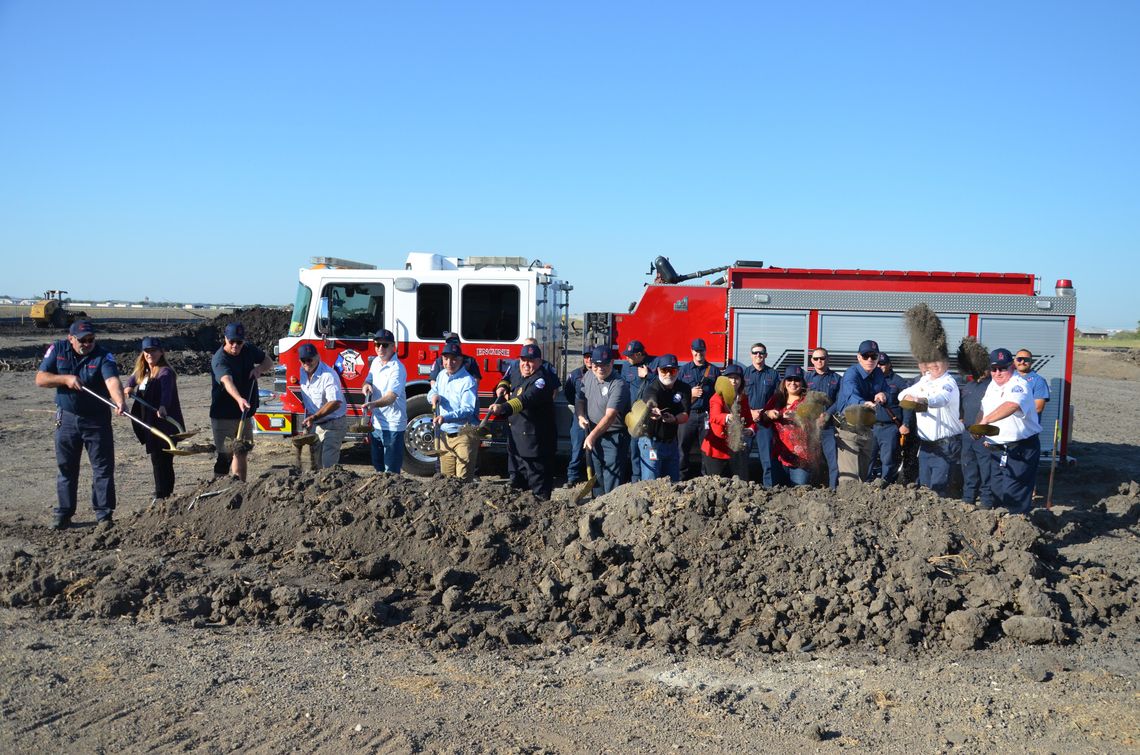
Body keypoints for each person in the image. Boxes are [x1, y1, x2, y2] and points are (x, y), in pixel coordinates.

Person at [36, 320, 127, 530]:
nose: (87, 344)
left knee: (102, 468)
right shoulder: (58, 349)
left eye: (91, 340)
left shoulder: (103, 355)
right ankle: (64, 513)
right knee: (66, 467)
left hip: (96, 420)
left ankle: (104, 515)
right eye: (82, 340)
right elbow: (41, 379)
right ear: (71, 338)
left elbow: (112, 380)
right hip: (67, 419)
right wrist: (65, 379)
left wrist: (119, 401)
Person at [977, 348, 1042, 515]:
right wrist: (979, 427)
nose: (998, 373)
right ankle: (1003, 531)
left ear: (1012, 367)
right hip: (998, 448)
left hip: (1021, 448)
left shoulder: (1019, 385)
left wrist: (986, 421)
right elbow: (984, 409)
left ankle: (1019, 533)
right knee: (998, 493)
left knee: (1015, 494)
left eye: (1003, 368)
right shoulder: (992, 385)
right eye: (994, 369)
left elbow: (1011, 406)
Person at [490, 343, 557, 499]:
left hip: (535, 446)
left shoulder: (541, 381)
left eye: (531, 360)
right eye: (523, 360)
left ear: (540, 361)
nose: (526, 364)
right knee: (520, 488)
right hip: (517, 442)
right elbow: (507, 378)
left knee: (538, 488)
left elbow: (524, 400)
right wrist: (502, 386)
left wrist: (502, 408)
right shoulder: (519, 372)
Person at [209, 322, 274, 482]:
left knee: (242, 451)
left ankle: (240, 488)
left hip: (244, 414)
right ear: (225, 339)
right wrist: (239, 398)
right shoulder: (220, 359)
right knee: (225, 455)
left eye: (239, 342)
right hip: (224, 415)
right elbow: (226, 380)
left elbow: (268, 361)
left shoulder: (248, 349)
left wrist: (259, 369)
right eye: (232, 342)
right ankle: (218, 491)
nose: (235, 345)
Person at [124, 337, 184, 501]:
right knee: (157, 459)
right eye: (147, 351)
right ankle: (163, 494)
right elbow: (132, 379)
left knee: (162, 460)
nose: (150, 354)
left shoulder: (165, 372)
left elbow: (166, 391)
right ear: (143, 353)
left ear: (161, 352)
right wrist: (129, 386)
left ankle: (162, 495)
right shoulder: (144, 371)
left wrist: (163, 406)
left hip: (166, 424)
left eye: (153, 351)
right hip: (150, 422)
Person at [898, 355, 964, 496]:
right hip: (926, 446)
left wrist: (920, 399)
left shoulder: (949, 382)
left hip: (946, 445)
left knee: (939, 490)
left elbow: (941, 399)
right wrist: (909, 397)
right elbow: (902, 395)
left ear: (946, 364)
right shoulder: (924, 380)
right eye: (931, 361)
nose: (934, 364)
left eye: (938, 360)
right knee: (925, 488)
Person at [577, 345, 632, 494]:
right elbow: (580, 399)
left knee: (611, 478)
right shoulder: (588, 376)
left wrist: (591, 437)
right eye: (596, 365)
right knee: (598, 475)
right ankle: (596, 508)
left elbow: (610, 416)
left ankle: (610, 511)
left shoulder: (618, 384)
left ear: (612, 363)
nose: (600, 368)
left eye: (605, 365)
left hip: (614, 437)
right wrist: (581, 415)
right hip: (594, 433)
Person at [833, 339, 888, 487]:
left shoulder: (878, 373)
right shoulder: (851, 373)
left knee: (864, 477)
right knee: (849, 480)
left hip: (866, 429)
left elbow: (886, 389)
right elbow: (851, 394)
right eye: (865, 356)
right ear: (858, 357)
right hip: (848, 429)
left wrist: (883, 394)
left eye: (874, 356)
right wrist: (864, 403)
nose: (870, 359)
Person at [428, 340, 479, 480]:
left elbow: (467, 409)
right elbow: (432, 392)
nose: (449, 363)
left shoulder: (468, 381)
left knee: (463, 480)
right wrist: (433, 396)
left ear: (461, 360)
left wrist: (445, 417)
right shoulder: (441, 375)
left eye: (454, 359)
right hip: (445, 435)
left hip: (464, 434)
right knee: (447, 481)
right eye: (446, 359)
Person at [636, 354, 690, 482]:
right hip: (651, 442)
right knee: (651, 485)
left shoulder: (684, 389)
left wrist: (675, 419)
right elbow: (650, 398)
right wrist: (653, 409)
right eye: (664, 370)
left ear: (678, 371)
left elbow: (685, 415)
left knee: (673, 483)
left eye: (672, 370)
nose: (668, 374)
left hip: (671, 443)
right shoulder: (652, 387)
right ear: (658, 370)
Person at [297, 343, 349, 469]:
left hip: (334, 425)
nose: (306, 363)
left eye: (310, 359)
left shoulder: (328, 375)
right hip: (317, 424)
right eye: (303, 360)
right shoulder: (302, 372)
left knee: (328, 465)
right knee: (316, 464)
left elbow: (335, 402)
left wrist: (314, 417)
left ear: (318, 357)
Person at [362, 328, 407, 474]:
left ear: (393, 346)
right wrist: (366, 385)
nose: (380, 348)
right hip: (377, 423)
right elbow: (369, 379)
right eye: (377, 344)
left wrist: (373, 404)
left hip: (393, 424)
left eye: (385, 345)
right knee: (378, 467)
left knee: (391, 472)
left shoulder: (397, 368)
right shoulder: (376, 361)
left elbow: (391, 396)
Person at [761, 365, 813, 486]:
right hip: (778, 456)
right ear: (784, 382)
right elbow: (763, 418)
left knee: (799, 493)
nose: (793, 383)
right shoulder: (777, 398)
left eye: (797, 379)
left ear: (802, 382)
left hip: (800, 459)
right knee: (777, 494)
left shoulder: (809, 400)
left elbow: (816, 419)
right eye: (789, 379)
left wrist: (798, 416)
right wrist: (768, 413)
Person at [701, 363, 755, 479]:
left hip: (736, 450)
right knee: (717, 484)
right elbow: (714, 417)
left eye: (737, 378)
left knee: (740, 482)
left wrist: (750, 430)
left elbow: (750, 421)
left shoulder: (743, 398)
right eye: (730, 378)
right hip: (717, 450)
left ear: (741, 381)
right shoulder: (717, 397)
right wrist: (727, 417)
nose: (733, 381)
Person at [677, 338, 721, 479]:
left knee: (707, 450)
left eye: (701, 350)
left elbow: (720, 394)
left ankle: (706, 479)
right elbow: (677, 395)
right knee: (682, 449)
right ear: (692, 351)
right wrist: (691, 394)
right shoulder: (683, 371)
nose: (699, 353)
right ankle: (681, 479)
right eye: (696, 351)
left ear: (705, 351)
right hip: (687, 415)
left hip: (706, 416)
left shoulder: (713, 371)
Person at [867, 353, 909, 484]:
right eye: (877, 363)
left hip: (890, 427)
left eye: (882, 364)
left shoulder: (899, 382)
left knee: (888, 459)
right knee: (868, 457)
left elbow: (907, 405)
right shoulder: (869, 379)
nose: (879, 366)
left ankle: (885, 484)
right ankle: (866, 483)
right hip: (872, 426)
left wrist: (906, 424)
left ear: (889, 365)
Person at [743, 342, 780, 487]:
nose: (758, 355)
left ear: (766, 355)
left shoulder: (773, 374)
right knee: (742, 458)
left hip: (765, 422)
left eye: (761, 352)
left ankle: (768, 490)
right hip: (747, 420)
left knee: (767, 460)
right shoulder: (744, 374)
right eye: (755, 352)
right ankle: (742, 489)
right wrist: (750, 412)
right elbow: (737, 397)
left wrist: (766, 413)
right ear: (751, 355)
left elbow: (779, 398)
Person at [805, 347, 841, 489]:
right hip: (810, 426)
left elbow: (840, 400)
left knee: (833, 461)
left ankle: (832, 489)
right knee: (810, 460)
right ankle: (810, 488)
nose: (819, 361)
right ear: (812, 361)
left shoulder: (837, 379)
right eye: (816, 359)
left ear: (828, 359)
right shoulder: (806, 378)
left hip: (829, 427)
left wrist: (827, 414)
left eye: (822, 358)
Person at [620, 340, 656, 482]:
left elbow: (662, 384)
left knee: (649, 449)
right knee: (634, 449)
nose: (627, 357)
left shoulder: (654, 363)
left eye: (630, 355)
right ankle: (636, 479)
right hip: (634, 416)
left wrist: (648, 376)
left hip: (649, 416)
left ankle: (650, 479)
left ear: (639, 354)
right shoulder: (626, 367)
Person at [959, 367, 993, 509]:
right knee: (968, 468)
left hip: (985, 434)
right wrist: (962, 419)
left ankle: (986, 501)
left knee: (986, 469)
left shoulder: (993, 386)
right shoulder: (968, 386)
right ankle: (968, 499)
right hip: (967, 435)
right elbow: (961, 407)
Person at [561, 347, 593, 486]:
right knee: (577, 448)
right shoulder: (575, 374)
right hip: (579, 416)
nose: (589, 359)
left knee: (597, 448)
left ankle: (596, 477)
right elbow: (569, 393)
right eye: (586, 356)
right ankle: (572, 478)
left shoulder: (602, 373)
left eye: (591, 356)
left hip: (597, 416)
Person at [1014, 349, 1050, 417]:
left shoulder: (1039, 380)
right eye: (1019, 359)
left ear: (1031, 362)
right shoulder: (1008, 377)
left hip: (1027, 426)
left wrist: (1009, 412)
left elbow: (1038, 408)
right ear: (1014, 361)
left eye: (1026, 359)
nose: (1022, 362)